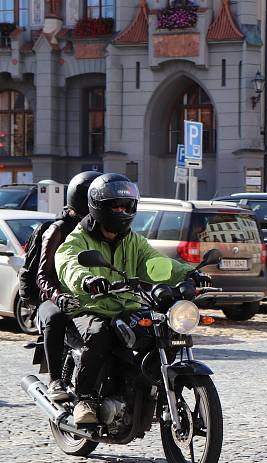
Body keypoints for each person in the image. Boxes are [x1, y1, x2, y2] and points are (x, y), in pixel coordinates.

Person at [55, 173, 211, 424]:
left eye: (126, 206)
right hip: (90, 307)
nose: (122, 210)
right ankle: (85, 399)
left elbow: (156, 264)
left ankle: (143, 385)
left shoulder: (133, 241)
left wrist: (189, 273)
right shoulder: (78, 238)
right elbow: (68, 263)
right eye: (116, 205)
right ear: (100, 207)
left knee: (161, 333)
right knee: (98, 335)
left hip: (126, 306)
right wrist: (86, 281)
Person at [36, 171, 101, 401]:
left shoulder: (99, 229)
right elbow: (42, 275)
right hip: (53, 298)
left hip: (88, 296)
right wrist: (58, 296)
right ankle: (55, 380)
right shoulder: (59, 230)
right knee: (56, 317)